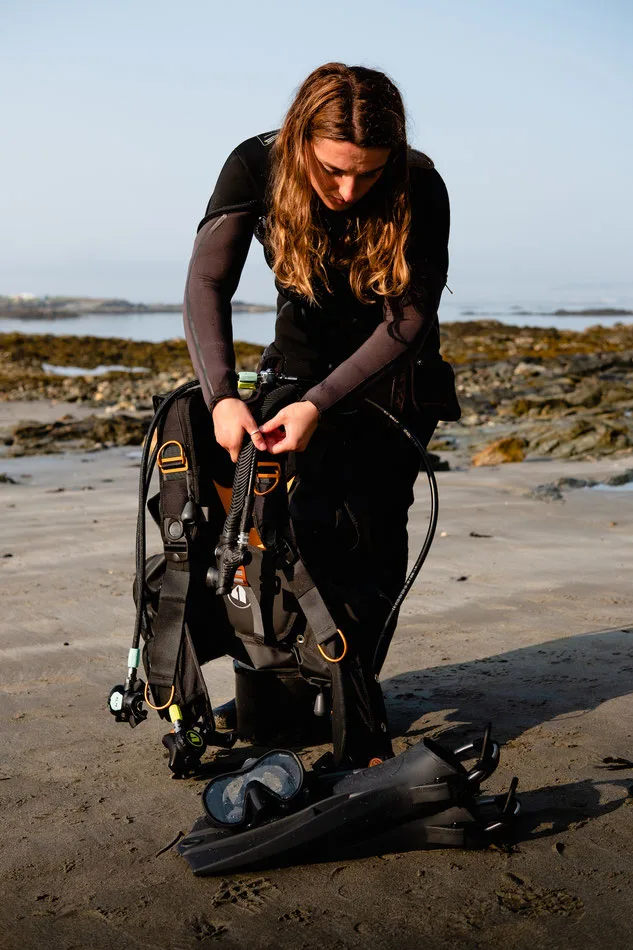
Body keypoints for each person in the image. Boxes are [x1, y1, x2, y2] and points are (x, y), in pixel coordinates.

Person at [183, 62, 460, 766]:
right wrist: (222, 398)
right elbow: (207, 282)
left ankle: (353, 692)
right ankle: (291, 681)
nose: (346, 190)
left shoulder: (417, 183)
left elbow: (406, 321)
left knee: (370, 531)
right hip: (296, 367)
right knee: (287, 531)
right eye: (333, 171)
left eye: (365, 175)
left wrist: (320, 404)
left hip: (391, 379)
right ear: (301, 137)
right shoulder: (256, 164)